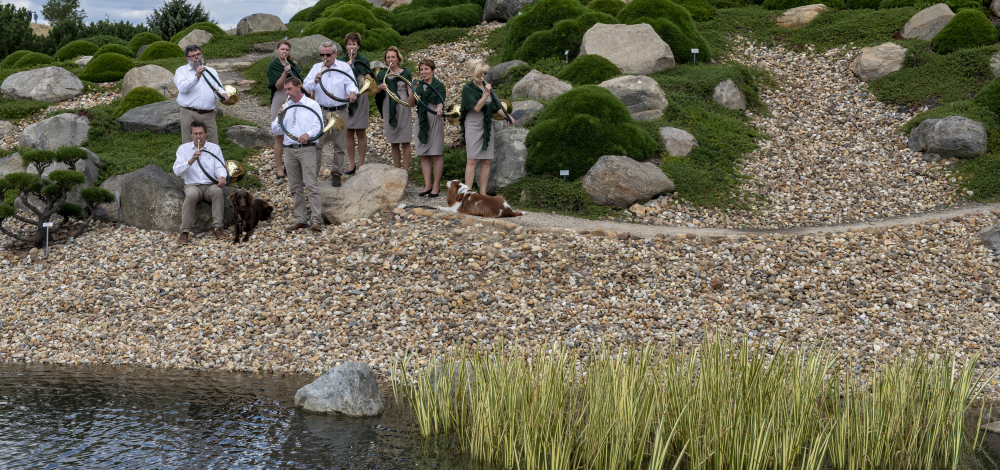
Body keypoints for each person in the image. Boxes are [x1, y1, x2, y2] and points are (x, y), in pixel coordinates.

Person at [271, 77, 325, 232]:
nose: (287, 92)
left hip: (307, 148)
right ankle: (300, 219)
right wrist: (280, 118)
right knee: (295, 186)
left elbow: (318, 127)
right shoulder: (285, 106)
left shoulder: (312, 104)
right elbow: (275, 131)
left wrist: (308, 134)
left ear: (299, 87)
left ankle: (316, 219)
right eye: (286, 90)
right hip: (289, 149)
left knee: (311, 185)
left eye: (289, 89)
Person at [303, 41, 357, 188]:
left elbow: (352, 84)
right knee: (317, 144)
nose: (325, 57)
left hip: (340, 109)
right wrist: (314, 81)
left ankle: (336, 174)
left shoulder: (344, 67)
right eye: (322, 54)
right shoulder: (316, 68)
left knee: (339, 145)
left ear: (335, 54)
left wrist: (352, 92)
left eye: (328, 54)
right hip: (321, 111)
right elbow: (305, 86)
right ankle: (312, 176)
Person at [460, 59, 513, 195]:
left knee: (486, 161)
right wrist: (486, 94)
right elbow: (477, 107)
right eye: (479, 73)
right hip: (473, 126)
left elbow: (495, 106)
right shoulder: (468, 89)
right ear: (472, 73)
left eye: (484, 72)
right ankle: (468, 194)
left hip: (486, 126)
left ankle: (482, 194)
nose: (482, 75)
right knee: (471, 160)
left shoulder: (486, 87)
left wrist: (507, 116)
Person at [173, 121, 228, 245]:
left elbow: (220, 166)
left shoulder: (214, 148)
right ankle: (184, 232)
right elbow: (176, 170)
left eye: (201, 133)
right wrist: (190, 161)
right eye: (195, 134)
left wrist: (222, 177)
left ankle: (218, 228)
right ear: (191, 135)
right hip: (192, 185)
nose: (198, 137)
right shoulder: (183, 149)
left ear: (206, 134)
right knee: (191, 195)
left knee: (217, 191)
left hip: (210, 185)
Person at [174, 45, 227, 145]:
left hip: (209, 114)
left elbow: (218, 86)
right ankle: (191, 161)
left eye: (198, 54)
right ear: (187, 58)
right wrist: (196, 77)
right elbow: (182, 89)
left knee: (212, 143)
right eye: (193, 56)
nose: (196, 57)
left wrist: (224, 94)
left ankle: (210, 161)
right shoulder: (181, 71)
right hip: (189, 113)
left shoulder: (211, 71)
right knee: (189, 143)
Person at [266, 39, 302, 181]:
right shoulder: (273, 65)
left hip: (294, 98)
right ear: (277, 50)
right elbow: (278, 86)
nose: (284, 52)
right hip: (280, 98)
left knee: (294, 132)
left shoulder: (293, 64)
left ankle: (291, 165)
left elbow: (299, 81)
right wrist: (284, 73)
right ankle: (279, 168)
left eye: (286, 49)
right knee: (280, 135)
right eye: (282, 49)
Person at [375, 46, 413, 171]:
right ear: (385, 60)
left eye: (393, 57)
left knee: (406, 141)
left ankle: (406, 171)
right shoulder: (382, 74)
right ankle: (397, 170)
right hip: (388, 106)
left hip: (402, 105)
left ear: (398, 59)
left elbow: (410, 91)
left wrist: (412, 97)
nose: (390, 59)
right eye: (388, 57)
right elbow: (375, 91)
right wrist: (380, 87)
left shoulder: (405, 72)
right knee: (394, 141)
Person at [412, 58, 446, 198]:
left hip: (434, 119)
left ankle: (436, 186)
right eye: (421, 69)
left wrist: (439, 109)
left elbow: (440, 102)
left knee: (436, 154)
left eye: (426, 69)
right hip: (421, 118)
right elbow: (411, 103)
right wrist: (412, 89)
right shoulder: (419, 85)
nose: (424, 72)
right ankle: (427, 185)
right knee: (424, 154)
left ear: (432, 70)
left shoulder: (439, 85)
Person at [340, 32, 372, 175]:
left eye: (354, 44)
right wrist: (346, 67)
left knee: (361, 131)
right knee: (348, 132)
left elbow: (369, 79)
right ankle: (351, 164)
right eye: (349, 44)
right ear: (345, 46)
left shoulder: (363, 59)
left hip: (361, 97)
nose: (351, 47)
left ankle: (361, 164)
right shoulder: (341, 61)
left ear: (358, 46)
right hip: (345, 97)